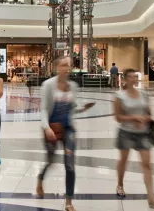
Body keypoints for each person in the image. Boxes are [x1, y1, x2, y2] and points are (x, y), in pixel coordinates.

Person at [37, 56, 95, 211]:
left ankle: (69, 200)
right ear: (57, 68)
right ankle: (40, 179)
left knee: (69, 165)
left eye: (68, 65)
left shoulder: (73, 86)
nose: (66, 68)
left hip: (68, 128)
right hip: (51, 128)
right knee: (50, 161)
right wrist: (46, 128)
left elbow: (72, 107)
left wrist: (83, 108)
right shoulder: (48, 85)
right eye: (63, 65)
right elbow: (43, 109)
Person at [114, 68, 154, 210]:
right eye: (131, 77)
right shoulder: (119, 96)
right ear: (125, 79)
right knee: (123, 160)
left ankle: (151, 198)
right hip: (125, 133)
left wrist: (146, 118)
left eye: (135, 77)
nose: (134, 79)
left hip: (143, 133)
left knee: (147, 164)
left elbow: (149, 112)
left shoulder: (143, 94)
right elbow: (117, 117)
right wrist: (134, 118)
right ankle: (120, 184)